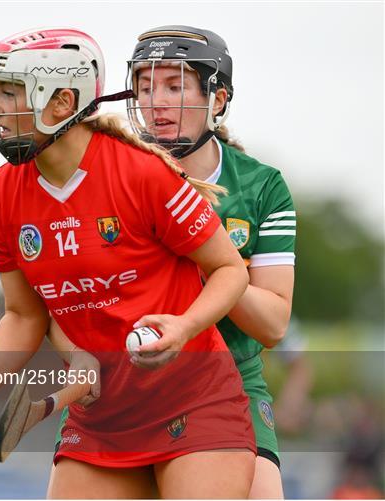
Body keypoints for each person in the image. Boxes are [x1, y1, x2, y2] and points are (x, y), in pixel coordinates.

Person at [0, 27, 256, 498]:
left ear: (63, 102)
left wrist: (184, 327)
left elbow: (231, 271)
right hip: (100, 419)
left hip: (194, 404)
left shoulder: (141, 174)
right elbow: (24, 315)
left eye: (10, 93)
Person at [124, 25, 297, 499]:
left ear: (217, 99)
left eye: (175, 86)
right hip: (131, 388)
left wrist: (205, 252)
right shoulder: (113, 175)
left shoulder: (261, 187)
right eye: (144, 87)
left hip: (234, 381)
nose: (155, 101)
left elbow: (274, 324)